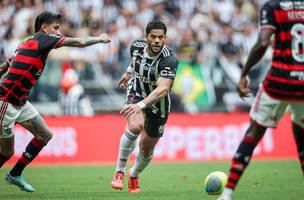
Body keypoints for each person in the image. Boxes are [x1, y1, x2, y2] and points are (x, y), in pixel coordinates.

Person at [0, 11, 110, 192]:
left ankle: (15, 174)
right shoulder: (43, 39)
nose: (59, 32)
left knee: (44, 135)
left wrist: (5, 67)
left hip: (21, 102)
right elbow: (80, 42)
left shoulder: (25, 44)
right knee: (6, 152)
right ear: (44, 27)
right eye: (56, 28)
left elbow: (6, 67)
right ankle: (14, 173)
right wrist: (99, 38)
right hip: (6, 102)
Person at [218, 1, 304, 200]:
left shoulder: (273, 7)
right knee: (300, 134)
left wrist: (244, 73)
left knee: (254, 131)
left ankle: (228, 192)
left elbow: (263, 42)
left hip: (280, 80)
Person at [111, 20, 178, 193]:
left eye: (160, 37)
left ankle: (134, 174)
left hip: (159, 103)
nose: (157, 40)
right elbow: (134, 61)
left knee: (146, 149)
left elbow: (163, 89)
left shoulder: (169, 59)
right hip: (137, 91)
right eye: (153, 36)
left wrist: (142, 105)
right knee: (135, 126)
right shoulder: (136, 46)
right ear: (146, 37)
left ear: (165, 38)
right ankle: (119, 172)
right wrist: (127, 73)